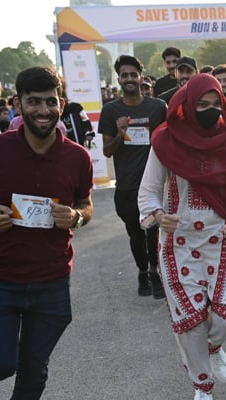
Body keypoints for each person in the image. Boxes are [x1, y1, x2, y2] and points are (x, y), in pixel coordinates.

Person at [0, 66, 93, 398]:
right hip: (0, 277)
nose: (42, 110)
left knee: (34, 371)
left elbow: (86, 203)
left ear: (62, 104)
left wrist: (76, 217)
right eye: (33, 101)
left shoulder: (77, 157)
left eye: (50, 102)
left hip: (50, 280)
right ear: (19, 104)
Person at [138, 73, 226, 400]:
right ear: (188, 106)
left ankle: (214, 346)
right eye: (201, 105)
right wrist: (159, 216)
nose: (209, 111)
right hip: (177, 244)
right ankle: (202, 387)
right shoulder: (167, 142)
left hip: (222, 240)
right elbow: (148, 192)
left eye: (214, 104)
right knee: (190, 323)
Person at [100, 55, 167, 299]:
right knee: (136, 234)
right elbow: (107, 150)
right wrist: (120, 133)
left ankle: (154, 272)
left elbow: (169, 141)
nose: (129, 79)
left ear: (141, 76)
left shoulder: (158, 107)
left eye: (133, 74)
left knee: (155, 232)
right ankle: (142, 270)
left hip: (155, 184)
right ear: (119, 79)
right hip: (127, 185)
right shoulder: (111, 110)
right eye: (124, 75)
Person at [61, 83, 95, 148]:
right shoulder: (54, 112)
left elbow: (86, 121)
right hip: (63, 150)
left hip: (80, 146)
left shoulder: (77, 107)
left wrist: (88, 133)